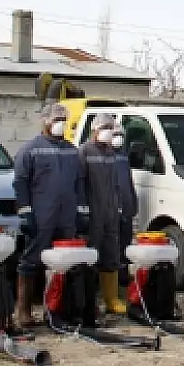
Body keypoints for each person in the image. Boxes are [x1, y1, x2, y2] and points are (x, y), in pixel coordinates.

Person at [12, 103, 87, 328]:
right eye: (56, 119)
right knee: (30, 262)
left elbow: (79, 183)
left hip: (66, 217)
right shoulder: (30, 150)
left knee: (62, 263)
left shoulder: (72, 151)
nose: (60, 124)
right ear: (44, 121)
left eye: (64, 119)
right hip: (41, 215)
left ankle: (55, 309)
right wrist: (25, 212)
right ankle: (23, 311)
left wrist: (82, 212)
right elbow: (20, 183)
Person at [79, 114, 125, 313]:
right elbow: (80, 182)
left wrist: (119, 206)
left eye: (111, 127)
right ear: (95, 129)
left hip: (110, 213)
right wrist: (82, 209)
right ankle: (90, 300)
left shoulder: (111, 153)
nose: (108, 131)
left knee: (111, 255)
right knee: (91, 256)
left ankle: (111, 299)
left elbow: (116, 184)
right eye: (105, 127)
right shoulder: (84, 151)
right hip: (93, 212)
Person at [111, 124, 138, 286]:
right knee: (113, 244)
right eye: (115, 134)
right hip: (111, 209)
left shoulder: (123, 156)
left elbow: (128, 181)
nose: (118, 138)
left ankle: (122, 275)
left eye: (121, 134)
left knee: (125, 243)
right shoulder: (104, 156)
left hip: (126, 207)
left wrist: (133, 202)